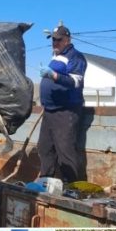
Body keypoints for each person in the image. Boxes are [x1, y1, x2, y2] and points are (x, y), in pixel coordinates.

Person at [38, 22, 87, 182]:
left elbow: (76, 82)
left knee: (65, 152)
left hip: (66, 111)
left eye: (58, 40)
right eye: (53, 40)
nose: (55, 43)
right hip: (50, 111)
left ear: (68, 39)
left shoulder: (76, 56)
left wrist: (54, 76)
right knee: (44, 148)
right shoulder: (56, 56)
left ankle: (71, 187)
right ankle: (46, 182)